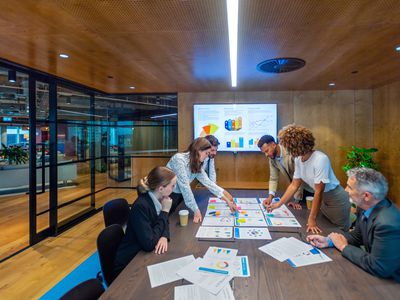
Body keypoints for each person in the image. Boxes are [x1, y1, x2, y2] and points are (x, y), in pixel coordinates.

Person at [307, 167, 400, 282]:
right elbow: (356, 237)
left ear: (366, 196)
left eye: (350, 187)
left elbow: (379, 267)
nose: (345, 190)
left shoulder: (387, 224)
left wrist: (343, 247)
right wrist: (329, 241)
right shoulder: (366, 207)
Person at [266, 124, 351, 233]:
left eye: (286, 146)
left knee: (338, 233)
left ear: (295, 145)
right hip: (324, 202)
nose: (285, 149)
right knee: (324, 232)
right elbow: (294, 185)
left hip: (336, 201)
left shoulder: (320, 159)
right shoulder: (298, 159)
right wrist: (278, 204)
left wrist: (311, 219)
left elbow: (319, 191)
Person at [113, 166, 177, 276]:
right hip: (128, 264)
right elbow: (149, 243)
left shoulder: (160, 198)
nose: (174, 189)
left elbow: (164, 222)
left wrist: (164, 236)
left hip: (142, 254)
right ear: (161, 188)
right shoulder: (141, 206)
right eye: (172, 186)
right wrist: (165, 211)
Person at [167, 137, 237, 223]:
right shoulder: (179, 159)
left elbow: (209, 183)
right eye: (206, 153)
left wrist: (228, 201)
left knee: (174, 221)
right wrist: (196, 210)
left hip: (180, 194)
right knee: (166, 220)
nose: (207, 156)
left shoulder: (197, 163)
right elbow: (185, 187)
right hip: (167, 194)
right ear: (199, 150)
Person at [258, 135, 310, 210]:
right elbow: (273, 179)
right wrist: (270, 197)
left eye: (267, 151)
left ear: (273, 145)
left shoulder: (291, 152)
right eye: (264, 153)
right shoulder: (272, 158)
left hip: (309, 187)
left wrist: (297, 200)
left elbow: (299, 178)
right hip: (297, 188)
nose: (266, 155)